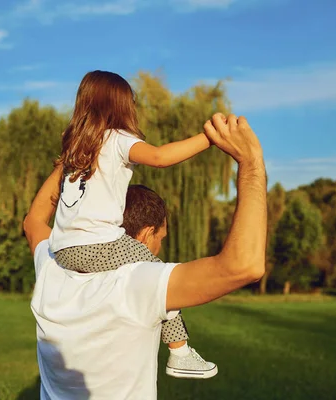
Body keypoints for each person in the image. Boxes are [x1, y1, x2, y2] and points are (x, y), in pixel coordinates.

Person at [24, 113, 267, 399]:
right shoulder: (138, 282)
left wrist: (71, 162)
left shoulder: (52, 264)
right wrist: (251, 165)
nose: (159, 248)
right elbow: (245, 266)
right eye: (161, 239)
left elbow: (33, 220)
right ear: (146, 234)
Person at [36, 70, 216, 378]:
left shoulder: (75, 150)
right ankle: (180, 353)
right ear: (120, 105)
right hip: (99, 244)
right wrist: (209, 138)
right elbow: (159, 157)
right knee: (160, 277)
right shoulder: (118, 139)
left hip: (63, 249)